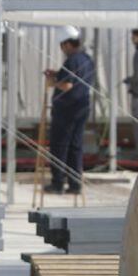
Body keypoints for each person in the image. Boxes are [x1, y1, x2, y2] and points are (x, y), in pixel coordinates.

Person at [43, 26, 95, 194]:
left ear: (66, 44)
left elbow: (67, 84)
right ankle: (75, 184)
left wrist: (52, 82)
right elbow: (76, 78)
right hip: (82, 107)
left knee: (59, 145)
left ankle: (57, 183)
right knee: (75, 146)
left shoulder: (71, 60)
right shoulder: (87, 58)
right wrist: (58, 73)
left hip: (67, 110)